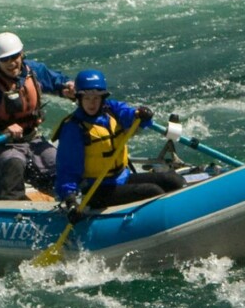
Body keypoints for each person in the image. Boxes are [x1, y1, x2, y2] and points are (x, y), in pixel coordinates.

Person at [0, 32, 75, 200]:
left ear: (22, 54)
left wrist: (68, 88)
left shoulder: (34, 71)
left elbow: (58, 83)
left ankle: (69, 201)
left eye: (15, 57)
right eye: (5, 60)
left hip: (32, 139)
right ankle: (13, 206)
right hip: (1, 146)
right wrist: (0, 132)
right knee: (14, 163)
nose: (11, 63)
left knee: (58, 163)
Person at [53, 70, 186, 215]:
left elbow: (130, 115)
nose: (92, 103)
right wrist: (70, 199)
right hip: (94, 190)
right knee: (153, 191)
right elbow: (67, 170)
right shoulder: (73, 128)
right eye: (87, 98)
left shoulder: (111, 110)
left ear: (103, 98)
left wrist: (141, 115)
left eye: (96, 98)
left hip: (121, 178)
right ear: (79, 98)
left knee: (173, 180)